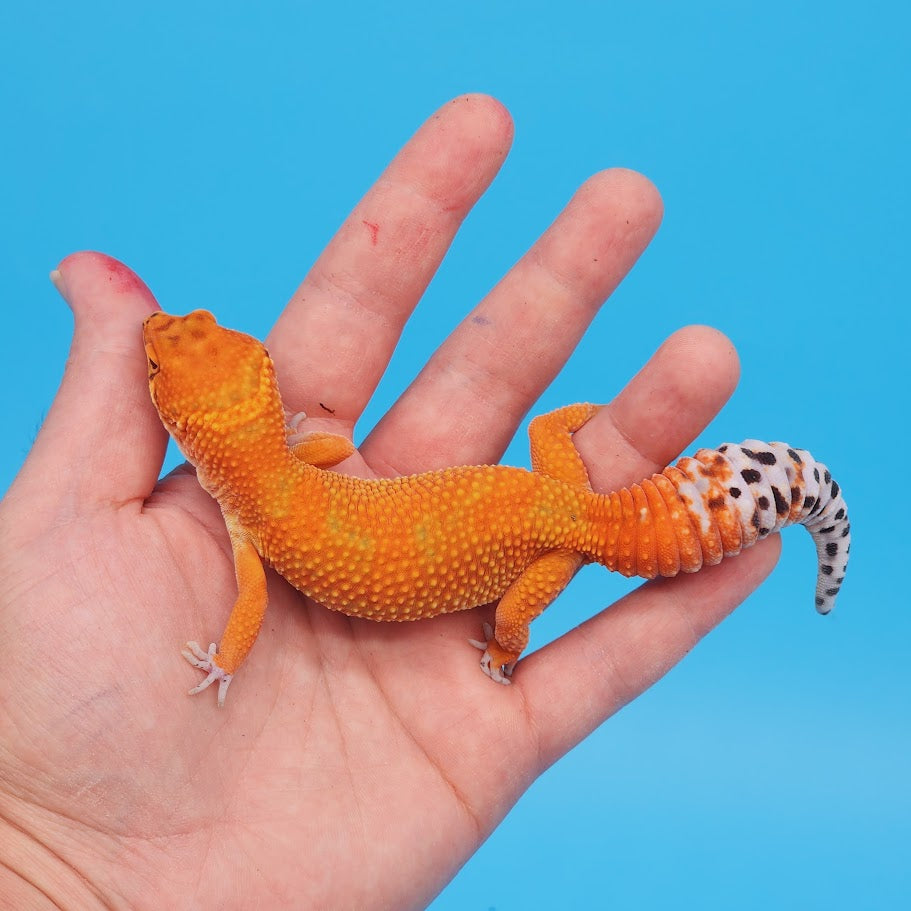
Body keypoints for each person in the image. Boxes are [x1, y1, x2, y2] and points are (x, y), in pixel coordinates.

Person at [0, 94, 778, 910]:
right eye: (162, 363)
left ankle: (512, 647)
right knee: (552, 439)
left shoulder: (251, 512)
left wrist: (228, 662)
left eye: (184, 337)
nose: (164, 333)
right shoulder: (296, 468)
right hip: (552, 502)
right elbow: (326, 451)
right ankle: (710, 494)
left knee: (509, 624)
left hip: (558, 539)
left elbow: (250, 602)